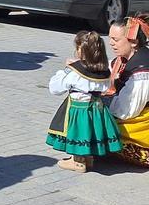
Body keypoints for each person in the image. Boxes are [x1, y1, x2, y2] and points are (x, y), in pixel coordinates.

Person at [46, 31, 122, 172]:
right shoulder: (105, 71)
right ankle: (89, 158)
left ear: (80, 50)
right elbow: (106, 87)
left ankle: (78, 161)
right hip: (97, 108)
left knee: (79, 130)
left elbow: (55, 89)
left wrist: (66, 70)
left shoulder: (75, 72)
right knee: (92, 130)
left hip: (79, 108)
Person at [107, 15, 149, 167]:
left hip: (142, 122)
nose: (111, 43)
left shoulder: (142, 71)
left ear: (133, 42)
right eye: (110, 38)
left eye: (116, 40)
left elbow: (127, 110)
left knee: (99, 128)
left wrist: (103, 105)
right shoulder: (122, 60)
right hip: (135, 114)